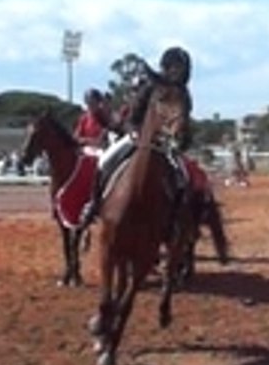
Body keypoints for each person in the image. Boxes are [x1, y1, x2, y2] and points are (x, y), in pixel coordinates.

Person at [77, 46, 193, 230]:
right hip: (140, 139)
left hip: (166, 145)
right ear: (166, 67)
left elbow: (185, 125)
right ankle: (93, 204)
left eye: (180, 68)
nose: (177, 72)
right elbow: (133, 116)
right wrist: (134, 131)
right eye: (174, 67)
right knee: (104, 161)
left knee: (183, 177)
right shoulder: (151, 87)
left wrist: (181, 140)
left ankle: (176, 219)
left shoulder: (184, 94)